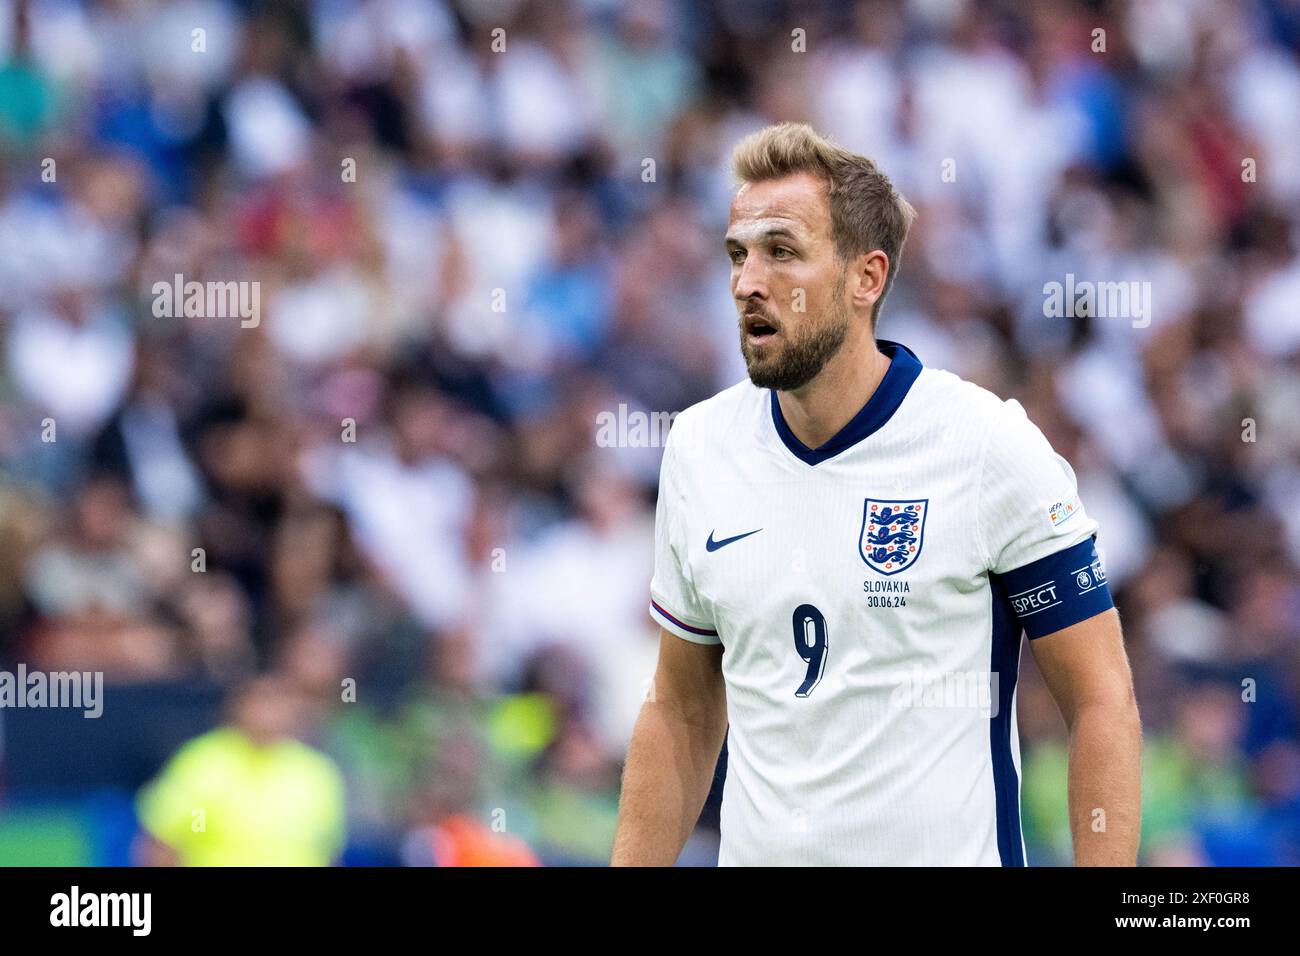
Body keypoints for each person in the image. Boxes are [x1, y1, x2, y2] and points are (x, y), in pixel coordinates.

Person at [611, 123, 1142, 866]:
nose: (746, 282)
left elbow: (1100, 700)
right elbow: (682, 710)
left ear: (867, 278)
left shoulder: (987, 446)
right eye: (738, 255)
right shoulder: (699, 449)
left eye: (781, 252)